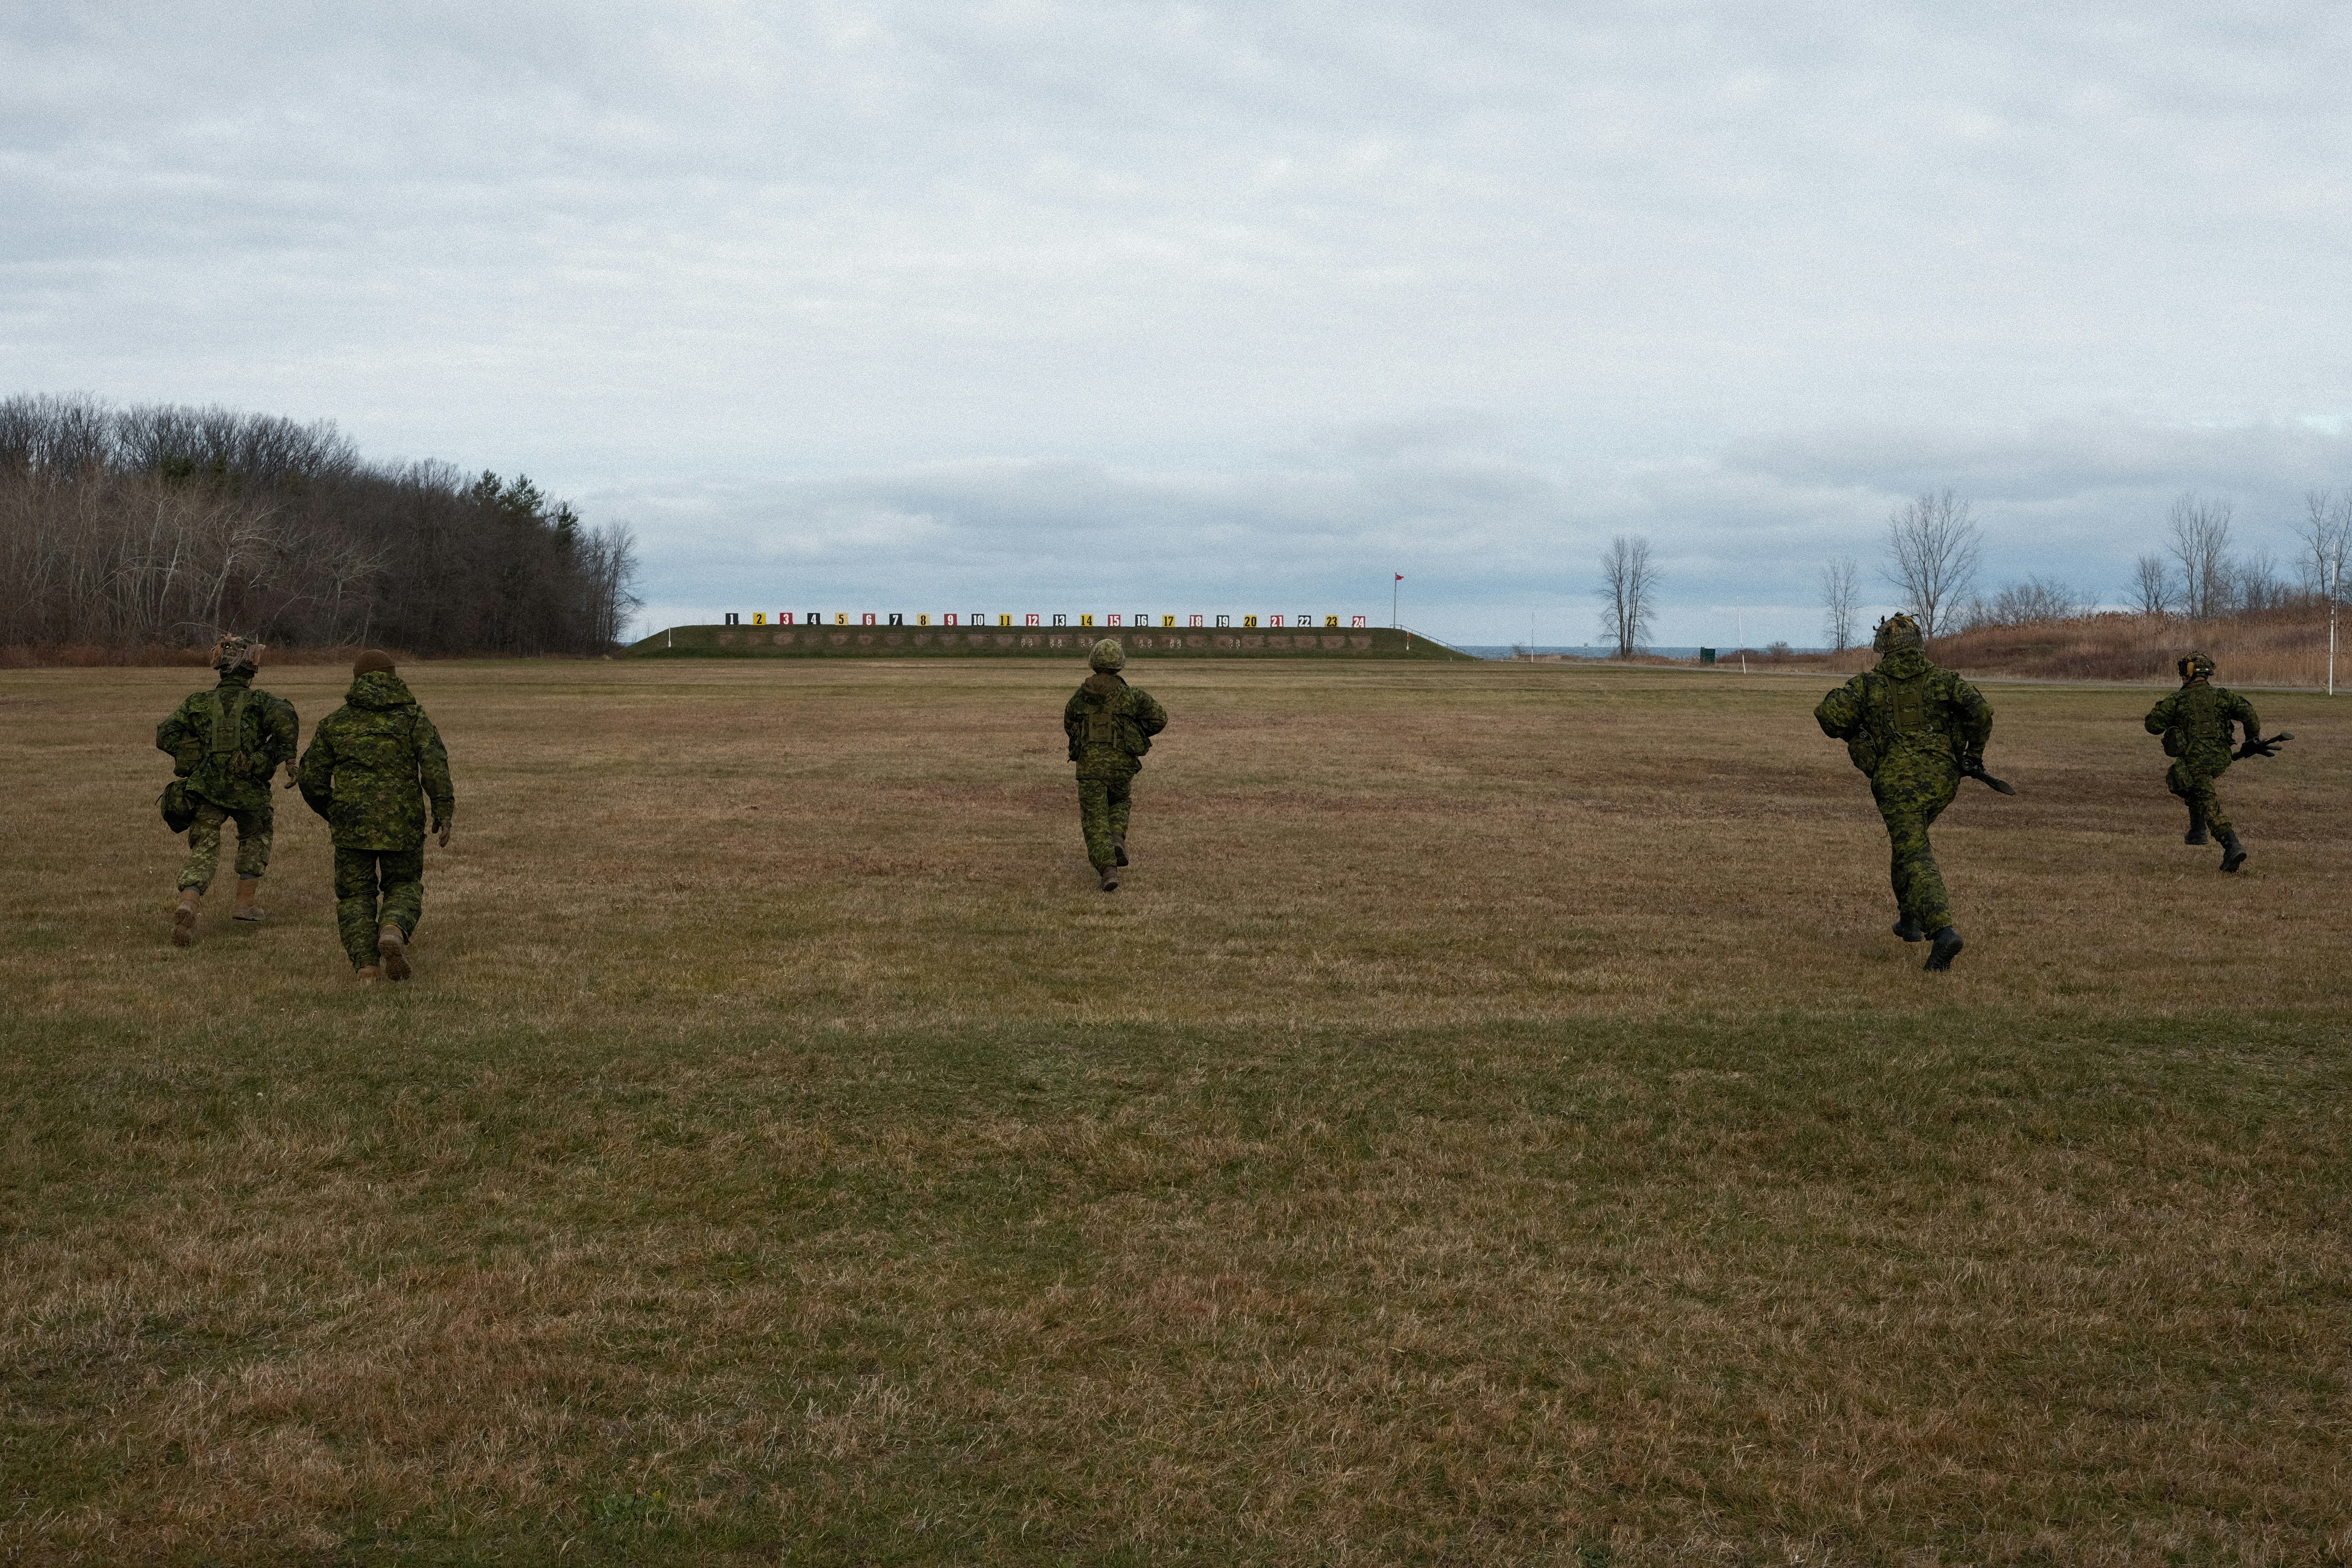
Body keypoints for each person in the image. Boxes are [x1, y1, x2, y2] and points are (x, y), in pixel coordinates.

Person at [1814, 613, 1995, 971]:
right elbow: (1981, 711)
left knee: (1914, 852)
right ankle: (1908, 921)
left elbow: (1827, 715)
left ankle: (1942, 930)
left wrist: (1856, 736)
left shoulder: (1867, 685)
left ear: (1883, 648)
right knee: (1907, 843)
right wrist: (1973, 757)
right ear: (1917, 644)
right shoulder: (1945, 681)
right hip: (1943, 779)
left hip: (1897, 782)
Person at [297, 650, 455, 981]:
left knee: (355, 895)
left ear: (356, 679)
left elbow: (310, 778)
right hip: (403, 824)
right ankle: (394, 930)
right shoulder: (413, 718)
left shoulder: (336, 723)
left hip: (352, 826)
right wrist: (443, 808)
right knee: (404, 883)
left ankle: (367, 967)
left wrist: (335, 811)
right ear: (393, 676)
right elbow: (434, 765)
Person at [154, 634, 299, 945]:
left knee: (204, 845)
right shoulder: (262, 702)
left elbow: (166, 733)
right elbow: (287, 718)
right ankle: (245, 904)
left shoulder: (198, 702)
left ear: (221, 668)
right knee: (256, 835)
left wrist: (195, 755)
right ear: (251, 670)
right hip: (250, 791)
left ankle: (189, 902)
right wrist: (275, 757)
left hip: (207, 787)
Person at [1063, 638, 1168, 892]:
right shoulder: (1131, 696)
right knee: (1120, 801)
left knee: (1095, 820)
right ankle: (1117, 837)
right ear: (1119, 665)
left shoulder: (1079, 697)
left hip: (1090, 770)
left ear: (1093, 663)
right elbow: (1159, 719)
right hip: (1122, 766)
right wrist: (1132, 731)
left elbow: (1070, 725)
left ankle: (1108, 869)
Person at [2143, 651, 2264, 873]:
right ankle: (2198, 832)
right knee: (2191, 783)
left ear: (2187, 675)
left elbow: (2152, 725)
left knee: (2189, 784)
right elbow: (2249, 713)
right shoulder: (2223, 696)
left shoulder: (2178, 700)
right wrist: (2252, 739)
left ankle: (2232, 845)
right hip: (2221, 758)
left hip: (2196, 760)